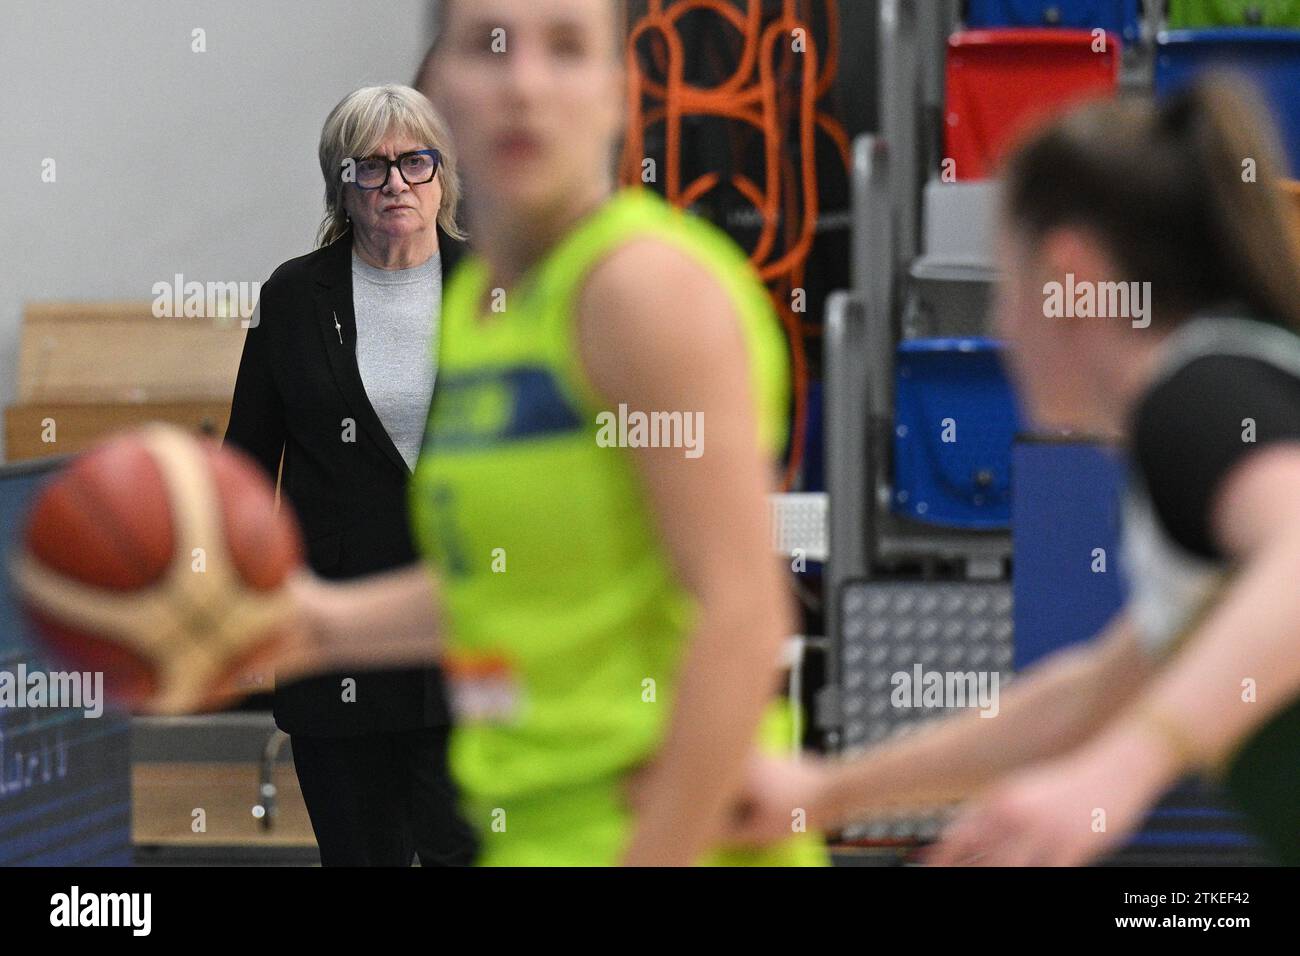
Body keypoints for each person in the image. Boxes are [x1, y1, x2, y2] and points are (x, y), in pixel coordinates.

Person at [236, 0, 825, 867]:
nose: (525, 84)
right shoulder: (488, 309)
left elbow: (741, 616)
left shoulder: (645, 288)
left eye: (568, 47)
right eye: (489, 47)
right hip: (531, 820)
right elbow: (508, 582)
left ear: (619, 91)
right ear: (443, 86)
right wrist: (302, 624)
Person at [727, 80, 1300, 866]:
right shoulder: (1221, 393)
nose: (1000, 323)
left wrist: (1116, 774)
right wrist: (827, 792)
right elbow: (1088, 697)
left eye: (1008, 280)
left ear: (1069, 275)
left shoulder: (1197, 394)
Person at [225, 84, 476, 866]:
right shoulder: (295, 297)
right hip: (337, 638)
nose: (396, 181)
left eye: (414, 161)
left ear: (443, 176)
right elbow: (243, 467)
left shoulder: (503, 290)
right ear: (342, 183)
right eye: (371, 166)